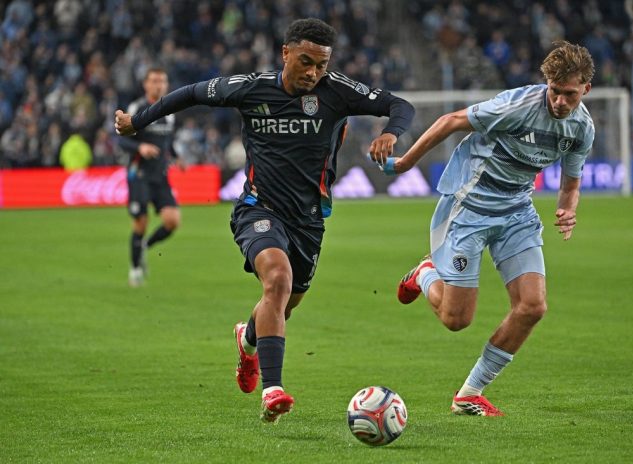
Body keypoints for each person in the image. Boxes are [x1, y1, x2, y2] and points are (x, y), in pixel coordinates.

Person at [114, 18, 414, 423]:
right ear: (285, 53)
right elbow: (191, 93)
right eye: (306, 61)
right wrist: (138, 122)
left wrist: (391, 133)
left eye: (321, 65)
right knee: (277, 279)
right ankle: (273, 390)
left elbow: (400, 105)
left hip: (309, 221)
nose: (313, 72)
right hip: (259, 208)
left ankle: (248, 340)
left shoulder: (336, 91)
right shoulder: (251, 88)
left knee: (283, 305)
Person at [387, 41, 595, 416]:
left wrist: (568, 208)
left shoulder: (582, 128)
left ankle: (469, 393)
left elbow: (571, 183)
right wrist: (405, 162)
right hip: (469, 208)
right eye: (554, 91)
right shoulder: (516, 106)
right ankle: (425, 274)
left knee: (532, 307)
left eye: (570, 94)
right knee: (456, 320)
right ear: (546, 84)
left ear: (586, 89)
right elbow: (450, 121)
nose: (560, 101)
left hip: (517, 211)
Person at [117, 68, 183, 287]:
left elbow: (167, 141)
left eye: (162, 81)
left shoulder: (170, 111)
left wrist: (176, 156)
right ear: (145, 84)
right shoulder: (136, 108)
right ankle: (135, 269)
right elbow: (121, 139)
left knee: (172, 221)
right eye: (154, 81)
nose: (158, 85)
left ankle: (144, 247)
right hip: (140, 174)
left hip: (160, 175)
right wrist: (140, 147)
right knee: (140, 223)